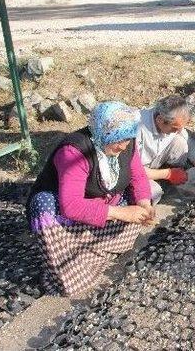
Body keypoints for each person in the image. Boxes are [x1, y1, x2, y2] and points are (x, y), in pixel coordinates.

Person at [26, 102, 155, 297]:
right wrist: (122, 213)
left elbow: (138, 177)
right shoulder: (73, 151)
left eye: (127, 139)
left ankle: (90, 251)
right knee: (42, 204)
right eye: (116, 139)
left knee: (139, 199)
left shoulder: (127, 144)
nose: (122, 145)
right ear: (102, 132)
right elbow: (71, 206)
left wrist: (144, 204)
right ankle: (72, 261)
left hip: (103, 205)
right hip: (67, 216)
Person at [136, 95, 195, 204]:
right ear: (159, 120)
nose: (177, 131)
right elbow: (134, 170)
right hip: (138, 170)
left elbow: (191, 145)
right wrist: (168, 174)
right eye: (174, 128)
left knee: (181, 142)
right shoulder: (138, 129)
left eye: (179, 128)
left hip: (155, 162)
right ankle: (165, 183)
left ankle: (171, 179)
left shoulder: (171, 124)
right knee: (152, 194)